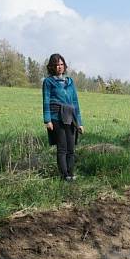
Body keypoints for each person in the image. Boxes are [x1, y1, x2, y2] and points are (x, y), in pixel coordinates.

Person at [42, 53, 84, 181]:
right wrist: (47, 120)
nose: (59, 67)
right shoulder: (48, 82)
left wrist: (80, 122)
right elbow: (46, 101)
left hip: (70, 117)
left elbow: (75, 102)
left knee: (71, 147)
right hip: (56, 117)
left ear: (64, 66)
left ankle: (71, 174)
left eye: (61, 64)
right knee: (62, 148)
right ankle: (64, 176)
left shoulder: (70, 82)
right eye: (56, 65)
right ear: (52, 67)